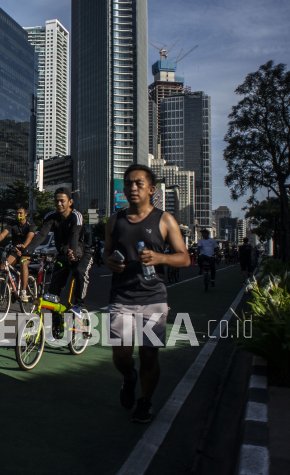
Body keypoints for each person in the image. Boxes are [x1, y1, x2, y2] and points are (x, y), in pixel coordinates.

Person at [103, 164, 190, 423]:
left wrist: (160, 257)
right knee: (121, 353)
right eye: (128, 183)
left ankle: (145, 401)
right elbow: (106, 252)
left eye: (138, 183)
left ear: (151, 189)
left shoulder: (165, 220)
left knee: (149, 354)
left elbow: (184, 258)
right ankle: (129, 378)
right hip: (121, 297)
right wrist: (108, 261)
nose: (132, 188)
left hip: (153, 298)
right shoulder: (114, 220)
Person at [24, 187, 91, 318]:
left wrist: (73, 251)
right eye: (56, 201)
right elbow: (42, 234)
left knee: (79, 272)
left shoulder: (76, 216)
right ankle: (55, 324)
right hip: (63, 254)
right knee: (53, 292)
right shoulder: (50, 217)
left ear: (70, 202)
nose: (59, 204)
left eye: (62, 201)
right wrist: (28, 249)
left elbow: (74, 235)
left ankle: (79, 304)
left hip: (80, 251)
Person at [0, 204, 36, 301]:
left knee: (23, 263)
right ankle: (11, 288)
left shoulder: (31, 225)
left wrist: (23, 247)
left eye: (20, 213)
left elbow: (29, 237)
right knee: (3, 267)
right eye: (16, 213)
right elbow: (3, 235)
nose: (18, 215)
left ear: (26, 214)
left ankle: (23, 292)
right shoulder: (12, 224)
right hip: (14, 250)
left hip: (26, 250)